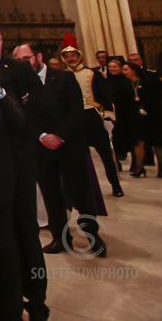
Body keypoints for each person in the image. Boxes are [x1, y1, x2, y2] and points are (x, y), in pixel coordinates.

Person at [0, 22, 49, 320]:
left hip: (17, 158)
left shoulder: (16, 68)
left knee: (25, 231)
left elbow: (39, 106)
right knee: (1, 233)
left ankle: (36, 297)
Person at [12, 42, 106, 257]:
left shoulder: (63, 78)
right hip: (41, 147)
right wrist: (42, 136)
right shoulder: (19, 84)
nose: (23, 64)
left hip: (69, 144)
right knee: (51, 196)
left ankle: (93, 236)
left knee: (80, 193)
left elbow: (75, 111)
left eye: (26, 59)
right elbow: (21, 115)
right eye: (19, 61)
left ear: (38, 57)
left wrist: (59, 135)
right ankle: (61, 238)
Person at [60, 43, 123, 195]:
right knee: (77, 157)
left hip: (92, 115)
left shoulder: (93, 74)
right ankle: (83, 189)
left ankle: (116, 185)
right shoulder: (60, 75)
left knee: (106, 155)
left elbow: (105, 95)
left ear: (79, 56)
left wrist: (108, 115)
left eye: (73, 56)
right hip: (73, 118)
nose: (70, 59)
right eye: (67, 57)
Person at [122, 61, 162, 179]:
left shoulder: (147, 81)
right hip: (135, 116)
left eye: (126, 69)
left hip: (152, 115)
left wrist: (145, 107)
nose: (123, 72)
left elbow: (154, 97)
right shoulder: (126, 83)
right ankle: (139, 168)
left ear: (133, 70)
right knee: (138, 141)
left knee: (157, 141)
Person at [105, 57, 137, 170]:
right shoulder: (106, 81)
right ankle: (117, 163)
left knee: (131, 138)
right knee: (114, 139)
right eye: (110, 67)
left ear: (120, 68)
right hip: (113, 114)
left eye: (115, 67)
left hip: (127, 113)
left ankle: (136, 164)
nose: (112, 69)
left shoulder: (126, 80)